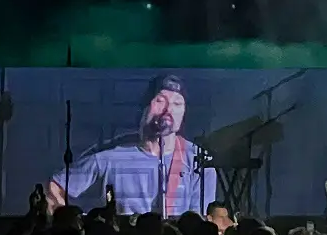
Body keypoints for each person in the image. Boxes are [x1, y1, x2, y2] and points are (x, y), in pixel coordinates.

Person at [47, 74, 217, 216]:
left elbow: (199, 222)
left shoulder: (199, 160)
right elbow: (55, 188)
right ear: (144, 107)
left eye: (177, 103)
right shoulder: (112, 154)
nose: (168, 110)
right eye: (160, 101)